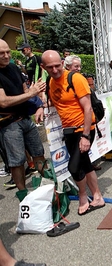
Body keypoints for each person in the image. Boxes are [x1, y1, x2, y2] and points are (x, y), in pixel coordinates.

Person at [41, 50, 105, 216]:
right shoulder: (50, 81)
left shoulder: (75, 78)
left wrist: (85, 136)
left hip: (83, 128)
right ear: (43, 67)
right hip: (68, 130)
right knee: (85, 163)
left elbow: (88, 107)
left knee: (74, 167)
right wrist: (38, 106)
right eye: (50, 67)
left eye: (57, 66)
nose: (55, 70)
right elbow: (54, 102)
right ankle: (97, 196)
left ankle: (82, 195)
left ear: (62, 63)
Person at [0, 39, 46, 197]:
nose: (6, 56)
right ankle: (23, 196)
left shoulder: (13, 67)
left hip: (26, 119)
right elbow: (3, 102)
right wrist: (31, 94)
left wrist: (39, 104)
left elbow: (27, 90)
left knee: (39, 152)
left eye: (8, 52)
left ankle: (47, 185)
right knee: (17, 161)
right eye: (2, 53)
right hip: (9, 124)